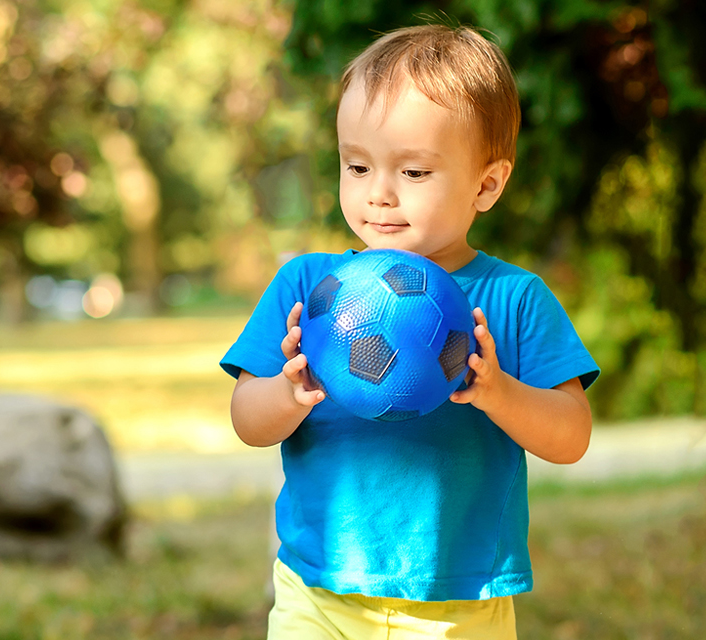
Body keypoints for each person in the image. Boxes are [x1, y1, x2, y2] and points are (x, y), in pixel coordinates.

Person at [219, 23, 598, 640]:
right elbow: (245, 420)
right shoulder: (309, 290)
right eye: (358, 166)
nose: (380, 195)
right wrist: (289, 392)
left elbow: (571, 436)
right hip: (317, 592)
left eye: (414, 172)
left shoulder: (514, 299)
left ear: (487, 184)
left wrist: (499, 393)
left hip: (461, 602)